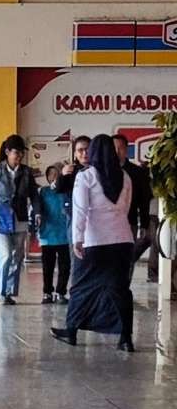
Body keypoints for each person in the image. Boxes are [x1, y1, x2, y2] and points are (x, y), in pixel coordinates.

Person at [51, 135, 135, 352]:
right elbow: (125, 208)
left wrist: (78, 238)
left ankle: (71, 331)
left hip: (94, 241)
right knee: (120, 289)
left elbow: (80, 210)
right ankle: (125, 337)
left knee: (80, 286)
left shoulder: (86, 176)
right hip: (122, 240)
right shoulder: (125, 176)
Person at [0, 134, 39, 305]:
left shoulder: (27, 172)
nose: (19, 156)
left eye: (22, 153)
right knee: (5, 255)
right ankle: (0, 293)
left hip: (20, 218)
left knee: (17, 256)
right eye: (16, 152)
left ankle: (9, 292)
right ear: (7, 152)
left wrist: (37, 213)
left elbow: (34, 195)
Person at [114, 134, 152, 278]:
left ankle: (124, 288)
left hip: (129, 222)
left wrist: (144, 224)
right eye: (113, 148)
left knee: (127, 258)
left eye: (121, 148)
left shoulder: (137, 172)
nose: (117, 152)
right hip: (106, 223)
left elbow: (144, 200)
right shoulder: (101, 172)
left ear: (126, 150)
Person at [38, 165, 71, 304]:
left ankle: (61, 292)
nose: (54, 177)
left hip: (65, 235)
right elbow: (37, 209)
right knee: (48, 266)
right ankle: (47, 292)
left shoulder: (67, 191)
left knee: (65, 266)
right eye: (51, 174)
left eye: (57, 174)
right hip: (48, 234)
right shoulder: (43, 192)